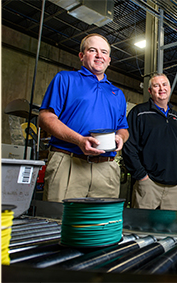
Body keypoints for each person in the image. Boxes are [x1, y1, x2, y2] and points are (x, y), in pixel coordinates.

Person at [38, 33, 129, 202]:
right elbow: (46, 118)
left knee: (102, 224)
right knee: (59, 221)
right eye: (92, 50)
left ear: (109, 59)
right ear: (81, 55)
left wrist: (120, 137)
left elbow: (123, 128)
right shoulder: (65, 79)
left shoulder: (118, 94)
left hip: (106, 168)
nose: (99, 55)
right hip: (69, 162)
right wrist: (79, 140)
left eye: (104, 52)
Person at [124, 73, 177, 210]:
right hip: (149, 184)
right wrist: (141, 176)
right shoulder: (139, 113)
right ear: (149, 91)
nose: (161, 89)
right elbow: (129, 146)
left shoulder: (176, 118)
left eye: (164, 85)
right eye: (156, 85)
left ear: (170, 88)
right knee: (141, 229)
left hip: (174, 186)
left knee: (169, 230)